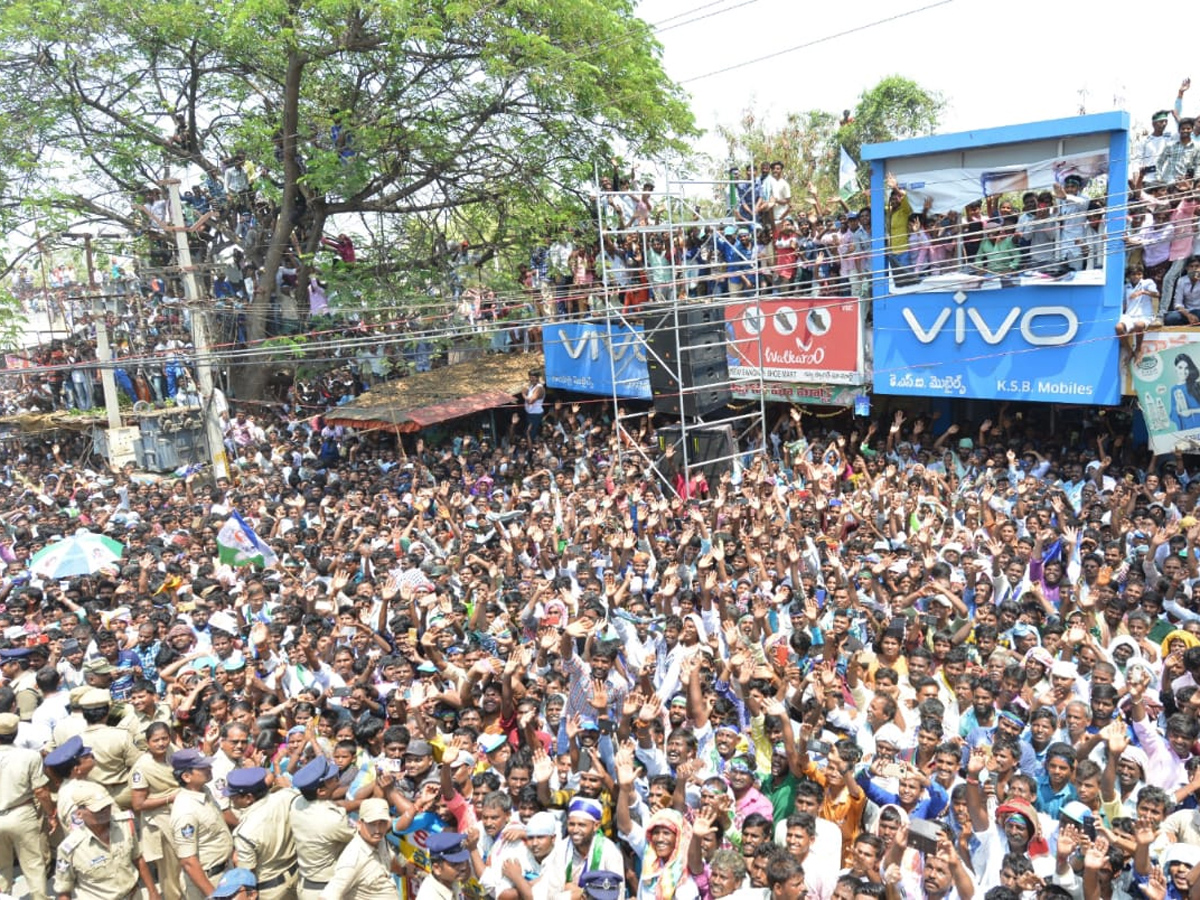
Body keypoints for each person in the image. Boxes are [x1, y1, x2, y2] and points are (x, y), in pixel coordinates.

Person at [53, 782, 161, 900]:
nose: (104, 812)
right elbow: (64, 891)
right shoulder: (70, 848)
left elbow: (138, 858)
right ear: (79, 813)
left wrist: (153, 892)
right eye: (97, 809)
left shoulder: (125, 826)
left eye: (107, 807)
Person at [0, 712, 53, 900]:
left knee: (1, 868)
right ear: (15, 733)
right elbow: (41, 791)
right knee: (33, 864)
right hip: (21, 813)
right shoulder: (29, 756)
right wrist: (51, 813)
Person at [170, 748, 234, 900]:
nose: (209, 768)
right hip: (208, 880)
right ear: (186, 776)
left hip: (225, 871)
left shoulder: (204, 791)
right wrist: (213, 895)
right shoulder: (185, 811)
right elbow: (188, 861)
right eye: (202, 768)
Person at [291, 757, 357, 900]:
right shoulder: (332, 819)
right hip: (326, 890)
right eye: (332, 778)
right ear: (321, 791)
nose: (336, 778)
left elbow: (333, 805)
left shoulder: (298, 802)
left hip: (306, 886)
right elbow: (363, 836)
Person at [227, 767, 298, 900]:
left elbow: (247, 875)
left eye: (233, 796)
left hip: (271, 889)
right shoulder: (286, 796)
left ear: (248, 798)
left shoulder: (244, 832)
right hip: (296, 874)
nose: (231, 799)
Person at [320, 797, 397, 900]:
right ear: (360, 824)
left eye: (382, 823)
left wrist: (404, 870)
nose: (377, 830)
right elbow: (328, 896)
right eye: (372, 824)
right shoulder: (353, 859)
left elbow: (390, 860)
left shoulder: (379, 840)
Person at [1169, 353, 1200, 431]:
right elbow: (1173, 415)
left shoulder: (1197, 385)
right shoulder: (1174, 390)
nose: (1183, 371)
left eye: (1186, 368)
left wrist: (1191, 411)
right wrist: (1177, 410)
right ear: (1175, 368)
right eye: (1180, 368)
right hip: (1186, 429)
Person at [523, 370, 545, 441]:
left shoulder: (539, 388)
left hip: (535, 415)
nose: (531, 379)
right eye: (530, 377)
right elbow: (525, 392)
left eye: (533, 377)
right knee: (527, 431)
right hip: (529, 413)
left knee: (531, 433)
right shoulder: (532, 386)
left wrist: (523, 394)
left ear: (537, 378)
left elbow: (530, 401)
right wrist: (525, 388)